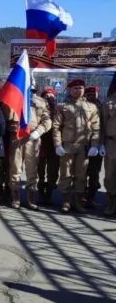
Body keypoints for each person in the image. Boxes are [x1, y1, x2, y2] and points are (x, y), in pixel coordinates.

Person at [53, 79, 101, 213]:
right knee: (66, 174)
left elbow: (96, 128)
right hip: (67, 145)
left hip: (84, 146)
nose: (78, 90)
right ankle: (66, 202)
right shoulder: (63, 107)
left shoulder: (92, 107)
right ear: (70, 90)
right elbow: (56, 127)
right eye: (75, 88)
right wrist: (57, 144)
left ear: (84, 89)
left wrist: (95, 145)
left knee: (81, 175)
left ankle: (78, 202)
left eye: (80, 88)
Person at [6, 87, 52, 210]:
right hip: (16, 136)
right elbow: (6, 116)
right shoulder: (14, 97)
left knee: (32, 169)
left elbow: (47, 120)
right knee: (15, 167)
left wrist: (39, 131)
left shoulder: (41, 102)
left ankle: (31, 197)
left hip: (33, 137)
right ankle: (15, 196)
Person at [37, 87, 59, 205]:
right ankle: (40, 190)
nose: (49, 98)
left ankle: (49, 193)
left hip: (54, 144)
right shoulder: (39, 108)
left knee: (53, 170)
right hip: (41, 142)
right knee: (40, 169)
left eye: (51, 97)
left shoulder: (58, 109)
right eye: (46, 96)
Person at [83, 86, 103, 208]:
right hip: (83, 143)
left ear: (97, 94)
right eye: (89, 94)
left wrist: (102, 144)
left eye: (93, 93)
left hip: (97, 143)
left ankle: (91, 197)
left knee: (94, 172)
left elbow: (105, 127)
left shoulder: (103, 107)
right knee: (82, 172)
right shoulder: (83, 107)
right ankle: (82, 196)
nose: (91, 96)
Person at [101, 87, 116, 216]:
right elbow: (102, 124)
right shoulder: (108, 102)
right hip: (112, 142)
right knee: (110, 174)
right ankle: (111, 202)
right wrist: (101, 144)